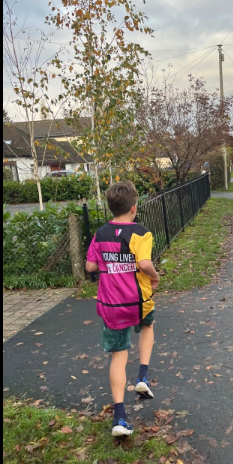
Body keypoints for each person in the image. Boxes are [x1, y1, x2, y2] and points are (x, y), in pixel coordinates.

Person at [86, 181, 159, 437]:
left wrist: (110, 263)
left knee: (118, 356)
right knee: (147, 326)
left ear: (111, 207)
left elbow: (90, 267)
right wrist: (155, 276)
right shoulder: (142, 233)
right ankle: (143, 377)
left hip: (112, 305)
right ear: (134, 207)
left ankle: (119, 417)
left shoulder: (100, 234)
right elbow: (145, 263)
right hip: (138, 301)